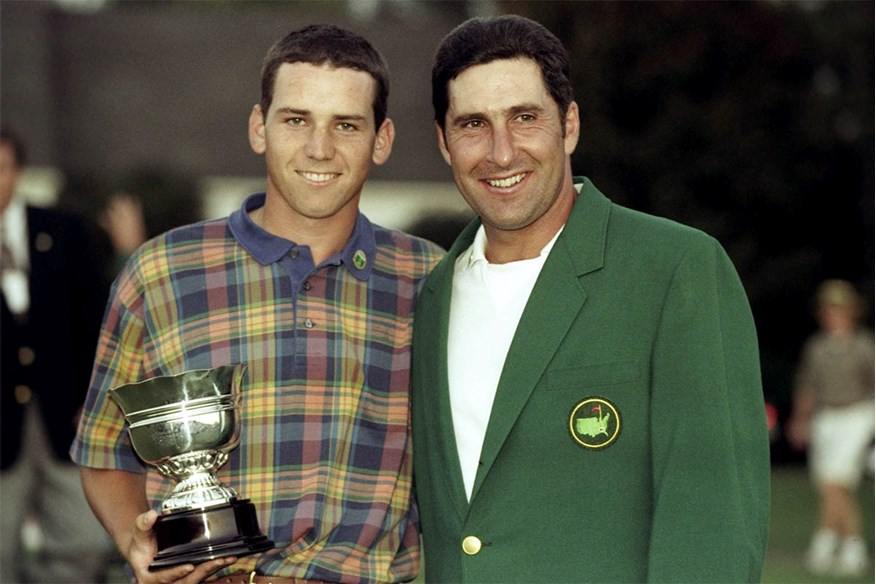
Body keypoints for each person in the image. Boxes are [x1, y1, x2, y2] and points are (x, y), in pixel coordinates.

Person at [70, 25, 443, 584]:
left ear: (381, 139)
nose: (320, 148)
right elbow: (104, 450)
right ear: (258, 128)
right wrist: (136, 543)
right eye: (296, 120)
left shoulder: (431, 280)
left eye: (346, 124)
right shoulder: (160, 273)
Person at [410, 15, 770, 582]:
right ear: (444, 141)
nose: (501, 153)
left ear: (569, 125)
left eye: (525, 118)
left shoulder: (675, 269)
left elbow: (712, 528)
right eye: (474, 124)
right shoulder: (430, 297)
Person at [0, 127, 115, 582]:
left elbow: (97, 322)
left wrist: (94, 397)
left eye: (2, 167)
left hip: (64, 413)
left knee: (85, 541)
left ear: (18, 172)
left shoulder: (63, 230)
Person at [787, 279, 874, 577]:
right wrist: (800, 420)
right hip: (826, 419)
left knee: (834, 483)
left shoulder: (864, 346)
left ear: (851, 312)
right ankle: (850, 549)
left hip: (857, 415)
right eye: (828, 309)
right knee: (832, 486)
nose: (832, 314)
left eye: (839, 308)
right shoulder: (817, 347)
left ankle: (829, 547)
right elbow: (807, 387)